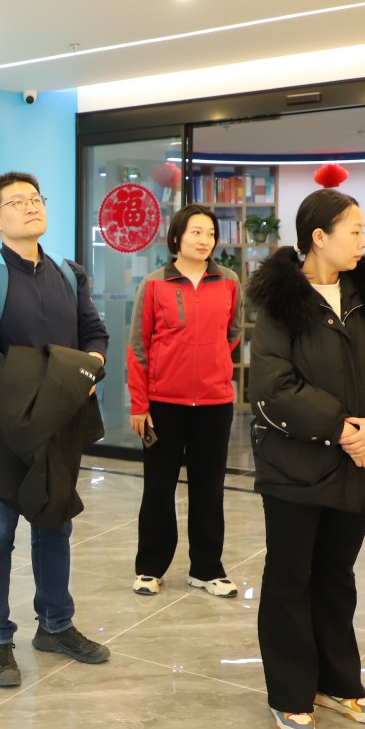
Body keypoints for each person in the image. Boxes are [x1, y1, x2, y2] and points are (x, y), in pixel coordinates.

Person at [246, 188, 365, 729]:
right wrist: (348, 431)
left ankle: (338, 682)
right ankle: (290, 693)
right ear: (319, 237)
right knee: (289, 577)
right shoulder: (281, 302)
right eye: (355, 230)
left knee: (335, 574)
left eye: (363, 230)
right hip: (296, 465)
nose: (363, 241)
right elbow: (273, 385)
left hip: (361, 463)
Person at [0, 171, 111, 689]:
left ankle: (56, 626)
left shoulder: (69, 272)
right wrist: (39, 392)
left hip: (61, 422)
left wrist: (90, 370)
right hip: (6, 422)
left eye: (35, 198)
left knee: (54, 522)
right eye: (17, 201)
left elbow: (94, 333)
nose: (30, 206)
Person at [126, 204, 241, 598]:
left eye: (210, 233)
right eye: (196, 232)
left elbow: (232, 334)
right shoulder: (154, 284)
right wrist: (139, 404)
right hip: (163, 404)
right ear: (176, 237)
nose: (204, 240)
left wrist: (211, 363)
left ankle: (207, 569)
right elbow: (138, 347)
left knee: (209, 489)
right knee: (158, 489)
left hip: (215, 403)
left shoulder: (228, 282)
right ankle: (150, 568)